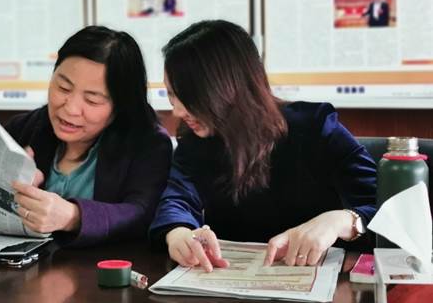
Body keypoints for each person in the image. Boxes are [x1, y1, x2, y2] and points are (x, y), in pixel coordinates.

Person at [149, 20, 377, 271]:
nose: (177, 111)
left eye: (189, 97)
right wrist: (178, 232)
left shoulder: (316, 127)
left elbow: (387, 206)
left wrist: (342, 221)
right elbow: (176, 200)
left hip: (319, 278)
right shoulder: (196, 140)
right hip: (229, 279)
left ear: (227, 89)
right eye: (171, 95)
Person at [6, 26, 172, 246]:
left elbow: (142, 214)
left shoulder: (149, 144)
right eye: (63, 88)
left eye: (92, 100)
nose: (71, 109)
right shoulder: (23, 129)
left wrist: (73, 217)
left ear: (121, 105)